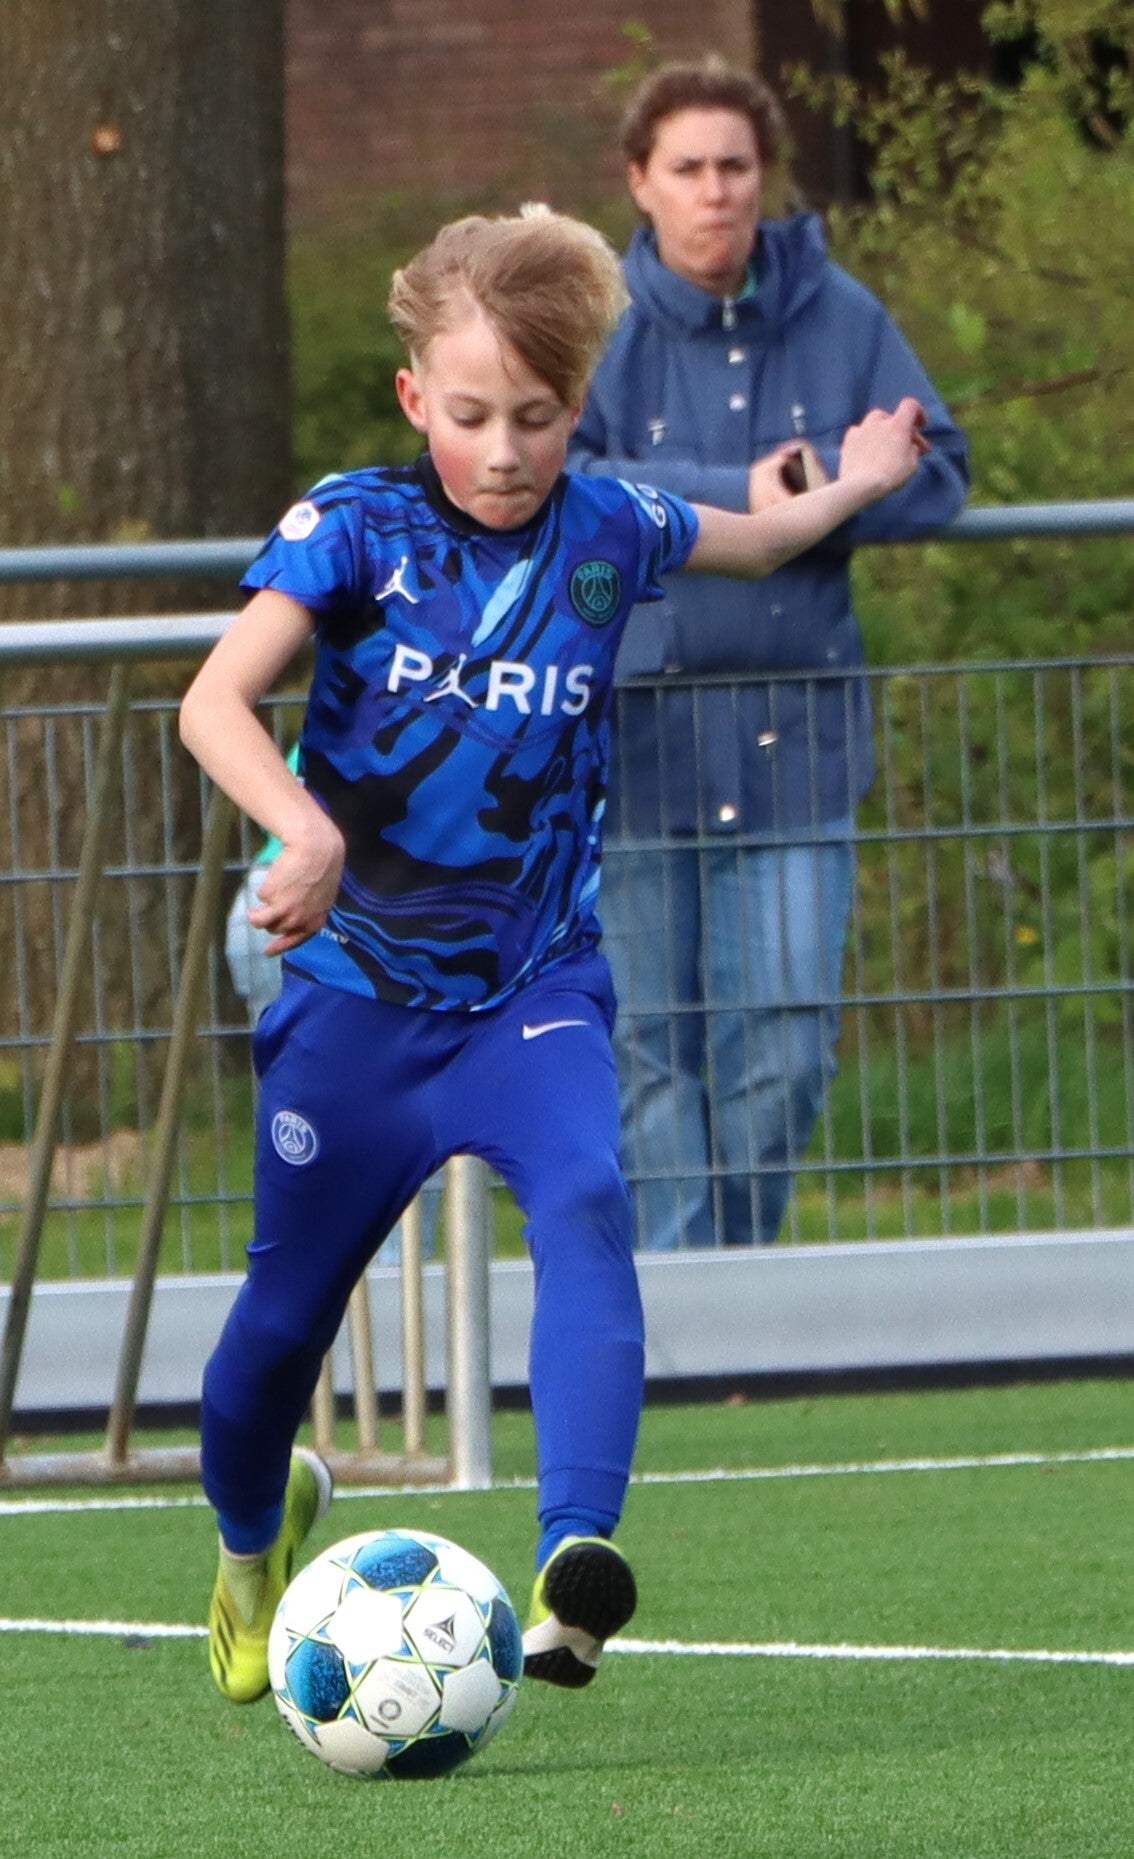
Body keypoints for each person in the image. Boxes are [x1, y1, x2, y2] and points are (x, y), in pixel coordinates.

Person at [178, 202, 927, 1707]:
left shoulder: (613, 526)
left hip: (534, 987)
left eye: (534, 414)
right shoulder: (351, 529)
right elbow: (213, 702)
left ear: (578, 405)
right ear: (414, 398)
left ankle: (573, 1556)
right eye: (469, 415)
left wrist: (858, 479)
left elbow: (756, 539)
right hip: (355, 1002)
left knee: (586, 1195)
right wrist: (302, 829)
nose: (505, 448)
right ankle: (251, 1547)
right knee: (277, 1330)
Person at [568, 58, 969, 1250]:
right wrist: (738, 494)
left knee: (784, 1045)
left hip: (797, 750)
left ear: (765, 177)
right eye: (688, 168)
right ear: (640, 182)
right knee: (647, 1049)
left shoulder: (841, 313)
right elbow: (552, 487)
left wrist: (825, 485)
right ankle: (683, 1304)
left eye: (735, 167)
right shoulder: (592, 322)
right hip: (632, 757)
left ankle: (731, 1282)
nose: (715, 192)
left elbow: (938, 472)